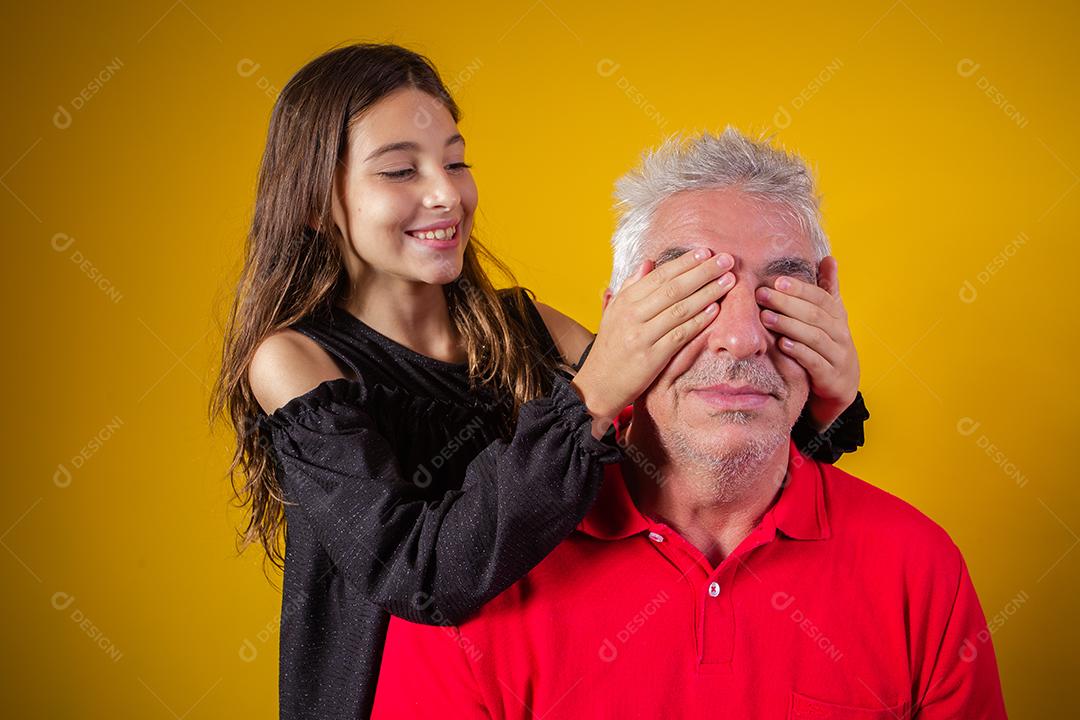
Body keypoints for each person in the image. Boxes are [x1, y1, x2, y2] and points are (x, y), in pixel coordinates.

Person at [208, 44, 870, 719]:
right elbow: (420, 575)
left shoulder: (530, 328)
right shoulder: (294, 363)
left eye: (456, 162)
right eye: (401, 170)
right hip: (381, 695)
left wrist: (827, 399)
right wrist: (590, 396)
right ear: (317, 203)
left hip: (533, 677)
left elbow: (684, 446)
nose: (445, 193)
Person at [371, 128, 1006, 719]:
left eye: (780, 294)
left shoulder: (920, 569)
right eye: (693, 291)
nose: (740, 337)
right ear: (618, 321)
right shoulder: (475, 568)